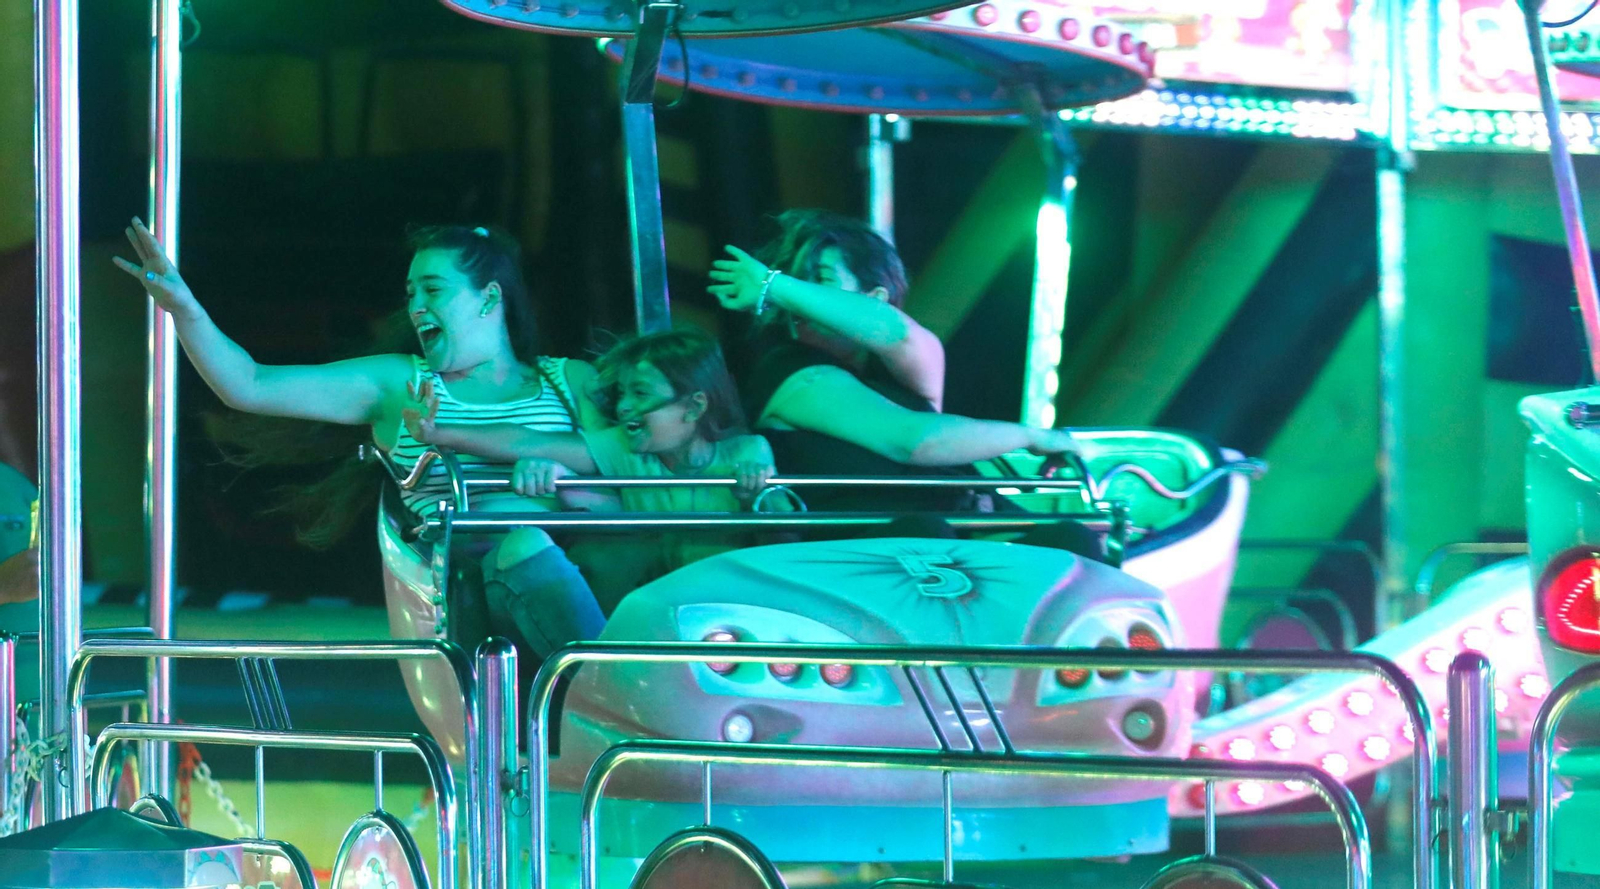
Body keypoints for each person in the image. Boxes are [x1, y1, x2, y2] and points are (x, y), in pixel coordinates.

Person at [114, 219, 608, 656]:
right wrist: (186, 311)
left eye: (433, 290)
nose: (416, 306)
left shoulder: (571, 382)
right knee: (525, 546)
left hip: (591, 559)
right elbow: (249, 384)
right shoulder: (401, 384)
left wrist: (563, 482)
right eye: (411, 293)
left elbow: (636, 477)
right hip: (479, 585)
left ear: (490, 298)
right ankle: (610, 691)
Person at [707, 209, 1079, 513]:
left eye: (819, 280)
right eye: (797, 282)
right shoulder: (787, 368)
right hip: (890, 557)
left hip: (962, 533)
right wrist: (1031, 435)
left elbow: (901, 335)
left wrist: (775, 286)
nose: (800, 297)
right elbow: (914, 441)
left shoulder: (893, 362)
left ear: (875, 297)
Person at [403, 328, 778, 613]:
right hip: (655, 607)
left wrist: (756, 496)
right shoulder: (626, 449)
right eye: (624, 394)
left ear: (694, 407)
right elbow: (528, 442)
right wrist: (440, 433)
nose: (625, 407)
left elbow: (790, 536)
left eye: (641, 394)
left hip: (729, 610)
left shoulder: (745, 452)